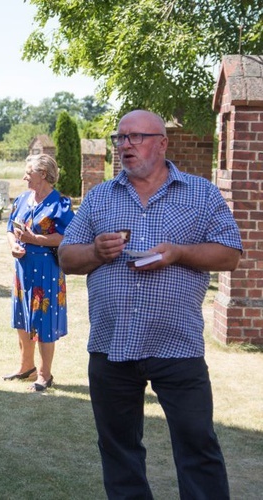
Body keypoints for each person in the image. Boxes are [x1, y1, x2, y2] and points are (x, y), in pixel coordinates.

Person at [59, 110, 242, 499]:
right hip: (112, 344)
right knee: (119, 450)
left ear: (162, 142)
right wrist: (96, 250)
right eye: (119, 138)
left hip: (176, 344)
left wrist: (178, 253)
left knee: (197, 446)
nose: (124, 145)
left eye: (134, 137)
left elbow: (229, 254)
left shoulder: (201, 193)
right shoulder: (100, 197)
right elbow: (66, 258)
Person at [5, 154, 74, 391]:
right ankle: (26, 366)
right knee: (23, 318)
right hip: (23, 269)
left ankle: (45, 374)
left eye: (28, 172)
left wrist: (34, 239)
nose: (25, 177)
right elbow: (10, 228)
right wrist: (13, 244)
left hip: (47, 269)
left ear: (42, 174)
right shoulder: (23, 199)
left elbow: (66, 237)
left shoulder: (60, 204)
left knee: (43, 320)